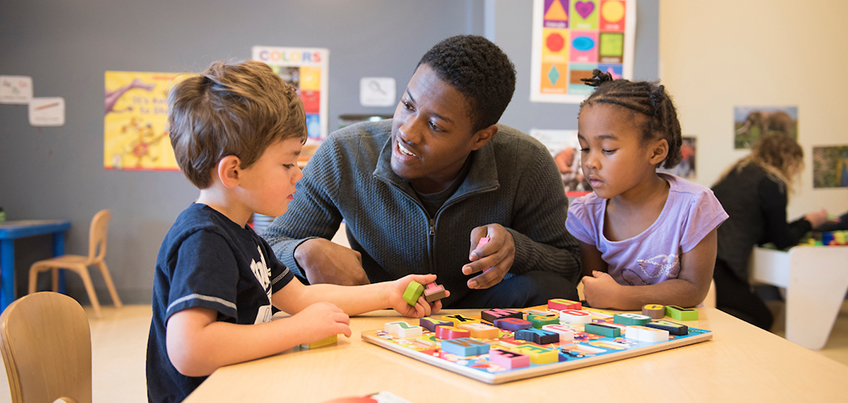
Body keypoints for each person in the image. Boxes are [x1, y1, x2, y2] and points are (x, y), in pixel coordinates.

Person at [146, 60, 445, 402]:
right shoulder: (204, 240)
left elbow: (302, 297)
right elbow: (189, 350)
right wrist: (294, 329)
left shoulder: (245, 237)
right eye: (287, 163)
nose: (298, 175)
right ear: (233, 172)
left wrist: (389, 293)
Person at [263, 35, 582, 308]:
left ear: (481, 137)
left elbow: (569, 264)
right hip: (382, 307)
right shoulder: (344, 153)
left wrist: (517, 249)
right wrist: (304, 250)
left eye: (435, 125)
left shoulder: (527, 161)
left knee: (552, 291)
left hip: (482, 314)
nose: (407, 132)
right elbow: (270, 246)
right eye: (408, 105)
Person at [566, 69, 728, 310]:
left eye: (608, 150)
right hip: (615, 335)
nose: (590, 162)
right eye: (585, 148)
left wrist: (621, 297)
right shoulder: (585, 214)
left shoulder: (694, 205)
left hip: (680, 333)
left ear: (655, 152)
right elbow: (597, 287)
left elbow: (694, 289)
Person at [712, 134, 832, 330]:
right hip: (722, 267)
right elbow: (782, 239)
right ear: (790, 161)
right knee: (762, 319)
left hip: (705, 258)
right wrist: (810, 222)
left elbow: (760, 231)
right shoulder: (772, 181)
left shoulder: (737, 173)